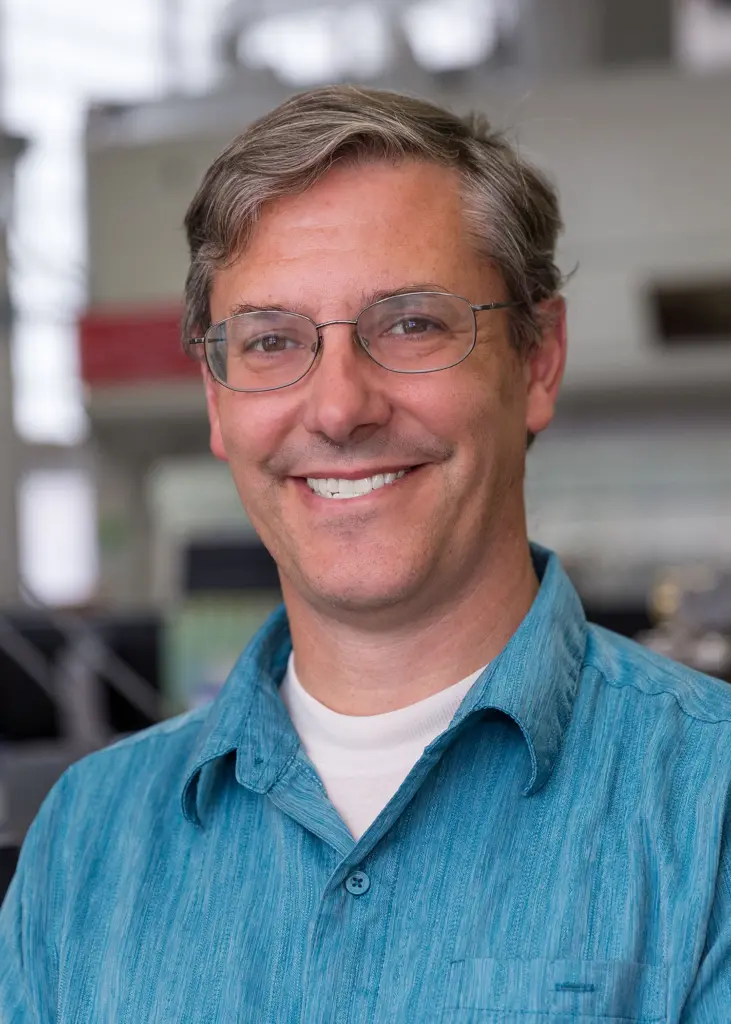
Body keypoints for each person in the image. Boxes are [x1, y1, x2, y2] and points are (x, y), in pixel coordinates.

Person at [1, 85, 730, 1023]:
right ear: (218, 402)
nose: (340, 408)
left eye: (411, 324)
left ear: (538, 360)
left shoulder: (708, 806)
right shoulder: (86, 840)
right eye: (271, 341)